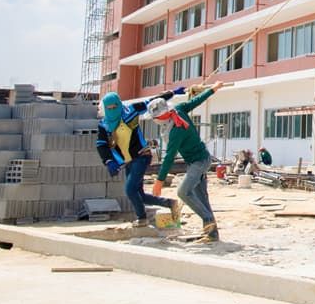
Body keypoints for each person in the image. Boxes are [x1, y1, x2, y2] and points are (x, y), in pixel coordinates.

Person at [95, 88, 184, 227]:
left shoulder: (130, 111)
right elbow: (101, 145)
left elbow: (152, 101)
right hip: (127, 161)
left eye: (115, 106)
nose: (112, 110)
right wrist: (108, 161)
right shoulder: (104, 125)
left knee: (130, 190)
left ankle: (142, 218)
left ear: (119, 104)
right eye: (109, 108)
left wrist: (172, 93)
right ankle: (170, 203)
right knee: (139, 195)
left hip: (142, 155)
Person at [151, 82, 224, 242]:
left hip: (200, 161)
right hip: (197, 160)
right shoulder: (179, 110)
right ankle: (212, 234)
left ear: (161, 116)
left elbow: (169, 157)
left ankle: (208, 220)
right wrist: (213, 89)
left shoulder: (176, 130)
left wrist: (159, 181)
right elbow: (196, 101)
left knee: (183, 192)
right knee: (202, 199)